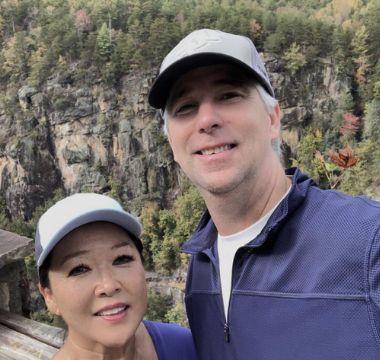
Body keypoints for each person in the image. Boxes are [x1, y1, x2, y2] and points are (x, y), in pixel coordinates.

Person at [148, 29, 380, 359]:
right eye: (185, 107)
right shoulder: (201, 267)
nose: (208, 120)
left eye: (229, 95)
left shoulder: (367, 241)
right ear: (172, 143)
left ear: (273, 118)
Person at [35, 193, 198, 360]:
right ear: (49, 296)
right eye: (79, 269)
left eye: (122, 259)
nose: (109, 285)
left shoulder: (186, 346)